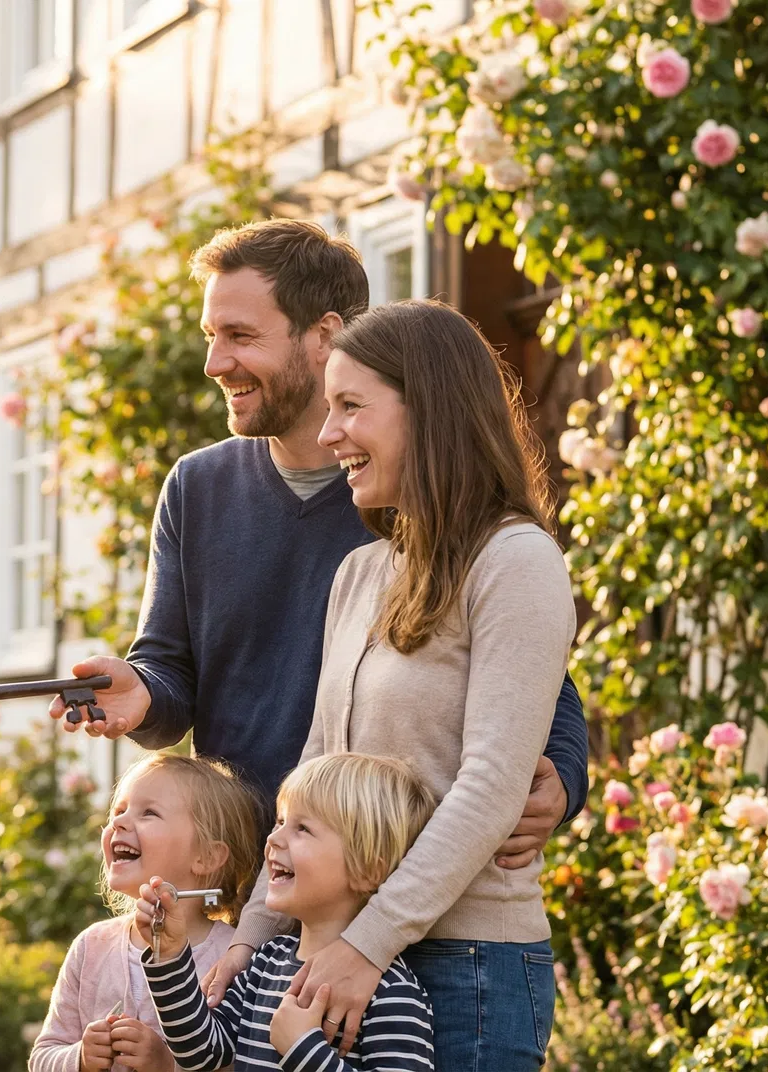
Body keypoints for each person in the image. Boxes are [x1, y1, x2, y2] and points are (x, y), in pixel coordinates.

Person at [47, 219, 588, 987]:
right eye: (211, 334)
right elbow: (170, 673)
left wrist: (563, 768)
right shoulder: (202, 490)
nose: (214, 362)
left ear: (323, 335)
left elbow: (522, 675)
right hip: (266, 887)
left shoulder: (404, 498)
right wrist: (142, 694)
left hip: (407, 900)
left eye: (239, 334)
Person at [235, 300, 576, 1068]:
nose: (328, 436)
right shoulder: (359, 574)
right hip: (346, 951)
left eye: (352, 406)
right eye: (329, 408)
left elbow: (491, 783)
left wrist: (369, 942)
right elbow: (315, 777)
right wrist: (253, 934)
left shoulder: (516, 562)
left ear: (433, 412)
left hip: (467, 965)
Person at [136, 753, 438, 1071]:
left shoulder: (392, 994)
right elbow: (200, 1053)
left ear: (366, 871)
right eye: (280, 822)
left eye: (302, 829)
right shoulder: (265, 962)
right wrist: (168, 954)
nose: (273, 838)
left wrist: (303, 1049)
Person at [31, 754, 263, 1072]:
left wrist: (167, 1065)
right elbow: (43, 1056)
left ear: (207, 856)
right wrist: (80, 1058)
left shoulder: (231, 960)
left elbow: (243, 1065)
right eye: (119, 810)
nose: (118, 823)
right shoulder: (91, 946)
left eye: (149, 813)